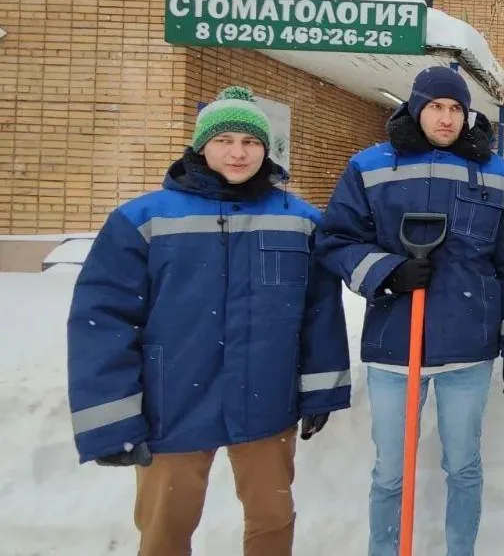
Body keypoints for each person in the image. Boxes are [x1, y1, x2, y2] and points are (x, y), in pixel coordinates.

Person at [66, 86, 351, 556]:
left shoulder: (299, 220)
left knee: (273, 521)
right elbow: (104, 320)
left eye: (251, 141)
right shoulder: (142, 220)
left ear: (266, 148)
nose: (238, 152)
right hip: (172, 403)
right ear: (201, 146)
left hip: (267, 400)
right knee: (164, 531)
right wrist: (111, 418)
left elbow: (319, 312)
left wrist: (321, 388)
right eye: (225, 140)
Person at [315, 66, 504, 556]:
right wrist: (387, 272)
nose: (446, 117)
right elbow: (336, 240)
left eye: (456, 108)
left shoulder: (496, 174)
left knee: (463, 467)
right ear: (415, 108)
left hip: (467, 345)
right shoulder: (370, 166)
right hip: (395, 346)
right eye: (436, 106)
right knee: (390, 472)